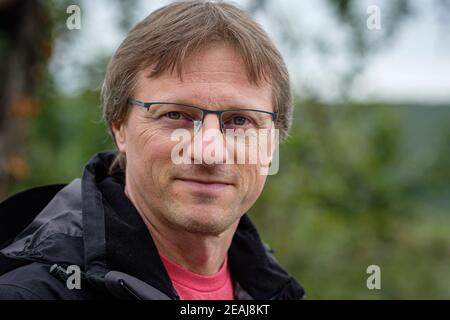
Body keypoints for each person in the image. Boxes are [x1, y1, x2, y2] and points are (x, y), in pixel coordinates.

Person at [0, 0, 305, 300]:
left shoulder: (274, 289)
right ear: (119, 125)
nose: (210, 152)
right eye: (176, 115)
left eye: (240, 120)